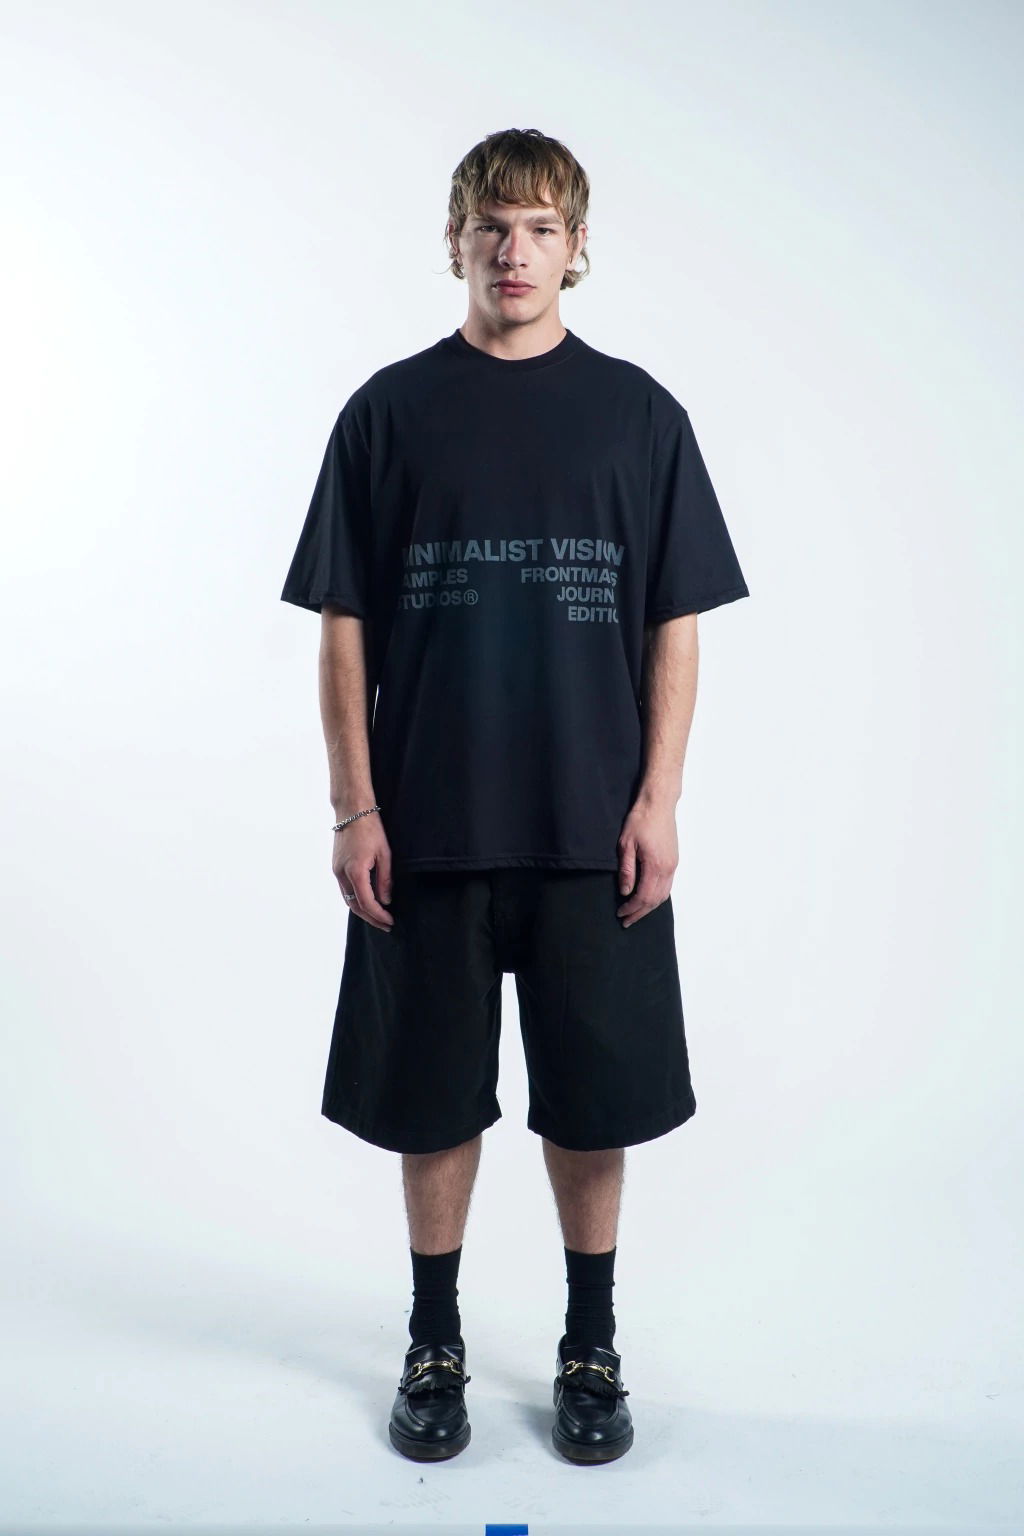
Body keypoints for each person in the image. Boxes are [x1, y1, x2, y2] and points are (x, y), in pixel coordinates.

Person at [280, 127, 750, 1465]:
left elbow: (673, 622)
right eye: (492, 224)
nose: (514, 250)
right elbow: (345, 626)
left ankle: (590, 1344)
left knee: (592, 1100)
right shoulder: (387, 413)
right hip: (426, 824)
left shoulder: (640, 416)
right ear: (455, 240)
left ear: (577, 248)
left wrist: (659, 799)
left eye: (542, 228)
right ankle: (434, 1342)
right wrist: (354, 807)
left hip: (592, 826)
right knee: (432, 1099)